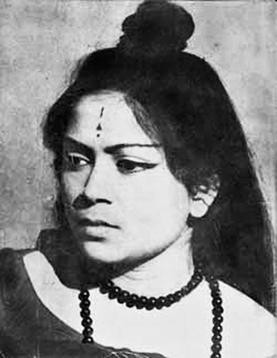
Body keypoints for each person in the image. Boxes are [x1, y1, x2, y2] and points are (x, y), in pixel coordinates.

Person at [0, 0, 275, 357]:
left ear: (202, 190)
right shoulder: (10, 295)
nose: (91, 190)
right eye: (77, 160)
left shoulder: (255, 339)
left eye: (129, 164)